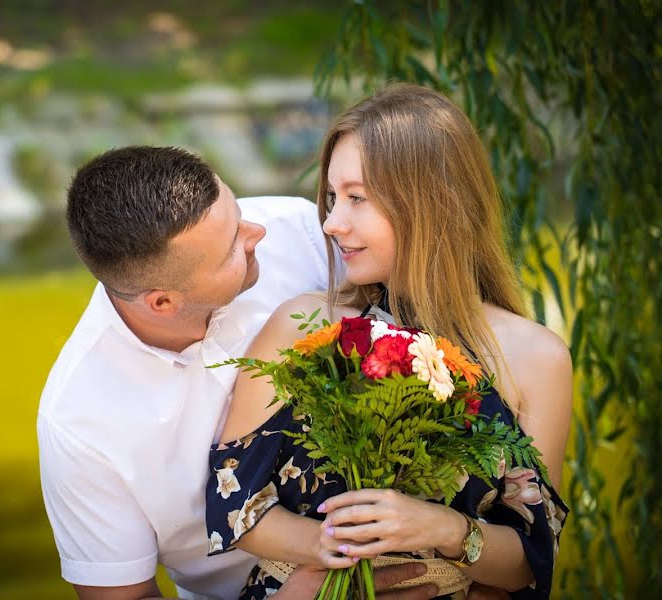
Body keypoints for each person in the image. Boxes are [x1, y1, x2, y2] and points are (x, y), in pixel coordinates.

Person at [206, 84, 572, 599]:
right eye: (333, 198)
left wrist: (442, 530)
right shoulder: (302, 326)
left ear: (432, 203)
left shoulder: (538, 359)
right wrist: (336, 550)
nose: (332, 223)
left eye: (357, 198)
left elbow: (531, 562)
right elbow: (233, 505)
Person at [38, 146, 437, 599]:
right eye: (232, 246)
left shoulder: (301, 234)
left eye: (238, 211)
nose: (258, 231)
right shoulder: (77, 423)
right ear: (162, 303)